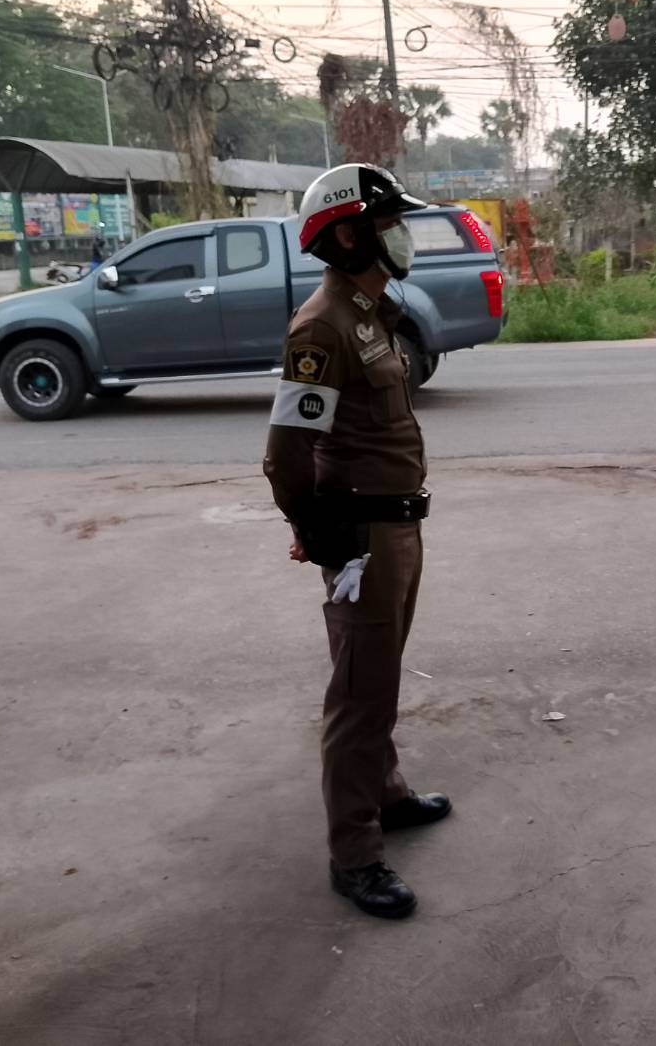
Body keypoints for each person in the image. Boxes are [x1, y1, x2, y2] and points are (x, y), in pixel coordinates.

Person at [263, 163, 451, 920]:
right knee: (357, 695)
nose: (401, 235)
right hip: (364, 536)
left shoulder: (371, 313)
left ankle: (388, 794)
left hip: (397, 523)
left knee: (379, 677)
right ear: (348, 236)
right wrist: (315, 531)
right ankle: (356, 855)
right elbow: (286, 451)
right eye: (388, 223)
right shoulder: (324, 326)